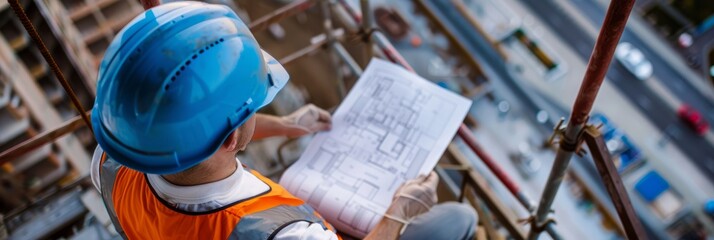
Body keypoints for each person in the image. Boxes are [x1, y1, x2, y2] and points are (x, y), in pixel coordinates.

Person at [90, 2, 476, 239]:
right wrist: (398, 212)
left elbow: (195, 139)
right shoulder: (281, 233)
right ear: (231, 139)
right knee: (458, 219)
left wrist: (287, 124)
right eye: (256, 108)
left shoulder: (111, 161)